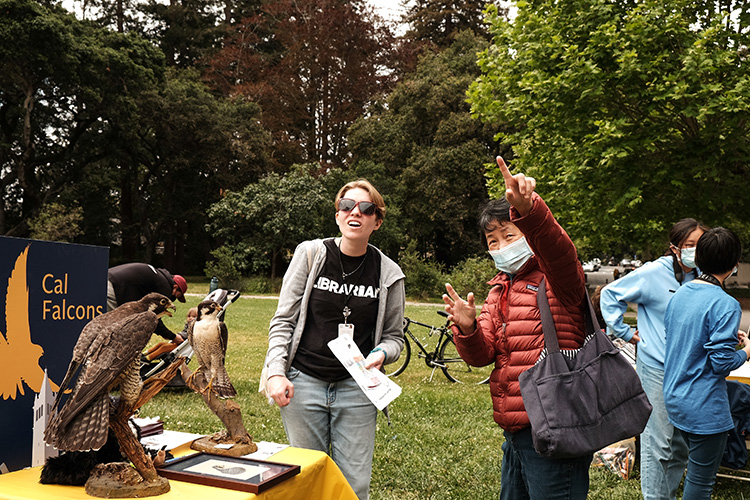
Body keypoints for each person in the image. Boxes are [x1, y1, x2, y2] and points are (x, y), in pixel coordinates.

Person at [443, 157, 592, 500]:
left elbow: (557, 249)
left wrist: (530, 211)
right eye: (492, 241)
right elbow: (483, 357)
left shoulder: (558, 278)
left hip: (556, 427)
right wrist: (467, 329)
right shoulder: (498, 289)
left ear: (528, 235)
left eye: (509, 235)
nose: (501, 247)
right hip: (515, 432)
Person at [262, 179, 405, 500]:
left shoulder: (389, 273)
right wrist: (275, 372)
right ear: (338, 215)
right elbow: (283, 320)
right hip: (303, 383)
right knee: (305, 479)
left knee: (353, 485)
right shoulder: (311, 254)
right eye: (347, 206)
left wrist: (383, 351)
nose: (356, 212)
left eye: (366, 209)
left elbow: (395, 336)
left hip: (356, 388)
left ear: (377, 221)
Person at [599, 218, 707, 500]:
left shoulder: (701, 275)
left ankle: (665, 495)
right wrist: (623, 331)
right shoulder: (652, 273)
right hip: (657, 367)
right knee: (658, 443)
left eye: (700, 245)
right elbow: (610, 295)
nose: (695, 251)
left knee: (681, 444)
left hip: (689, 370)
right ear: (675, 248)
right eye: (690, 246)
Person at [662, 227, 748, 499]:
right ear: (735, 265)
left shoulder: (680, 294)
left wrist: (727, 336)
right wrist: (746, 352)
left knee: (692, 473)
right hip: (704, 407)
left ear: (697, 258)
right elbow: (721, 363)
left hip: (676, 399)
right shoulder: (726, 304)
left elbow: (687, 337)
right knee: (700, 484)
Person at [107, 262, 188, 345]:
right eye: (178, 296)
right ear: (175, 287)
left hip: (106, 277)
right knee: (115, 328)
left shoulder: (158, 278)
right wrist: (173, 337)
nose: (174, 299)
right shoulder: (165, 287)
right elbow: (152, 318)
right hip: (113, 287)